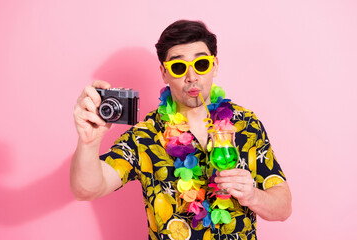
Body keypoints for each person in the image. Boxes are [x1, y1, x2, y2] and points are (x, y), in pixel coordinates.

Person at [71, 20, 292, 240]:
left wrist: (252, 196)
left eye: (201, 64)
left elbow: (283, 208)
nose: (192, 76)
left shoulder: (246, 124)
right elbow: (87, 189)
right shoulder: (144, 136)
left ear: (214, 65)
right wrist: (88, 143)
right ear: (164, 73)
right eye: (178, 67)